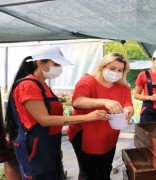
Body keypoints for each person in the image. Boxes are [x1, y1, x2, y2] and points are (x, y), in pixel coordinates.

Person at [5, 46, 109, 180]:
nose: (59, 68)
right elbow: (44, 120)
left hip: (49, 143)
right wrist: (87, 117)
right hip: (35, 145)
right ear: (40, 62)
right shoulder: (28, 85)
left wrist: (55, 147)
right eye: (56, 64)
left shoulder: (42, 84)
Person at [66, 52, 133, 180]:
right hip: (84, 132)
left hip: (109, 134)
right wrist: (104, 101)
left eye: (120, 70)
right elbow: (78, 101)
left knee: (105, 168)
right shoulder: (88, 81)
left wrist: (129, 111)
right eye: (112, 68)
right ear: (103, 67)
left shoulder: (123, 87)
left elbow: (128, 104)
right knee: (88, 172)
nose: (116, 73)